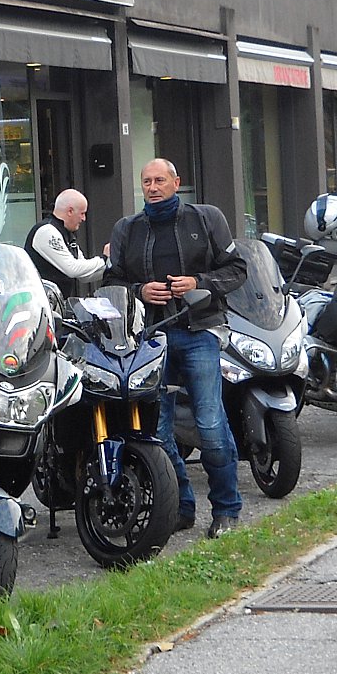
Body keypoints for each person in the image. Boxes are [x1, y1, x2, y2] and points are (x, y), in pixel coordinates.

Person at [106, 159, 246, 537]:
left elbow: (237, 269)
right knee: (158, 431)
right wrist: (139, 291)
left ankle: (227, 510)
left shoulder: (207, 218)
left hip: (200, 331)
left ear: (176, 182)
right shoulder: (127, 229)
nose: (153, 187)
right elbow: (111, 281)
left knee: (210, 425)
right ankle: (181, 506)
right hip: (151, 339)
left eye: (160, 180)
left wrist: (199, 283)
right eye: (146, 181)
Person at [25, 188, 107, 300]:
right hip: (39, 303)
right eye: (82, 213)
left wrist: (110, 269)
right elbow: (72, 268)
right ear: (70, 211)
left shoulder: (66, 234)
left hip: (57, 302)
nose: (84, 219)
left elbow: (83, 274)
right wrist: (104, 259)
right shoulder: (47, 231)